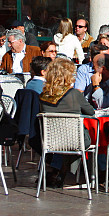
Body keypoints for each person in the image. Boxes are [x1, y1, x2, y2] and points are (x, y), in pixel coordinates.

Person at [39, 58, 95, 188]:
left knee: (65, 140)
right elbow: (90, 111)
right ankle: (72, 175)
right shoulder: (74, 94)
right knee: (80, 138)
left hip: (51, 141)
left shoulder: (43, 96)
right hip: (76, 140)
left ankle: (59, 172)